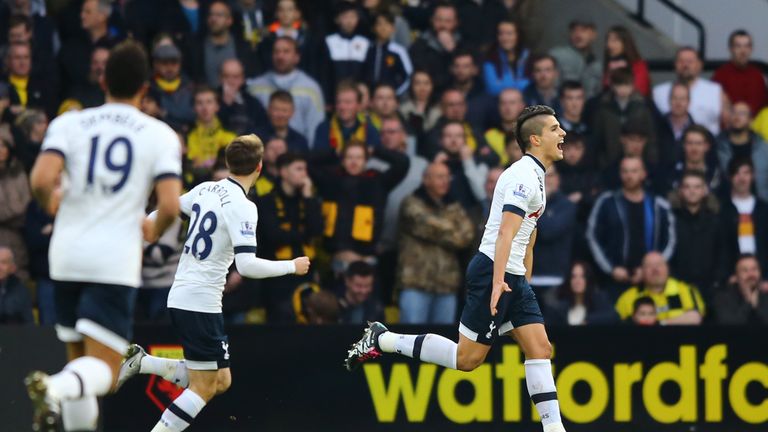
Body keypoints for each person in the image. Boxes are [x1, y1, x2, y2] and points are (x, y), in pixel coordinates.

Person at [345, 105, 569, 432]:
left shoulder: (537, 175)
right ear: (535, 139)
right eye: (554, 129)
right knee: (467, 360)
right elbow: (505, 232)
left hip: (512, 277)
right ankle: (383, 339)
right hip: (494, 271)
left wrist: (523, 284)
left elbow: (528, 236)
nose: (562, 133)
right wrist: (498, 282)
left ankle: (554, 429)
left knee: (540, 348)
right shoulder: (523, 176)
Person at [25, 41, 183, 432]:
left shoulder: (70, 122)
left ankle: (63, 390)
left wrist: (52, 203)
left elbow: (42, 179)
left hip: (65, 255)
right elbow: (170, 205)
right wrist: (152, 229)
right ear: (145, 88)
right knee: (107, 373)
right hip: (113, 260)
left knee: (81, 362)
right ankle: (55, 389)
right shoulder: (159, 134)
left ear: (103, 79)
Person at [117, 135, 310, 431]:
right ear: (260, 167)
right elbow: (246, 267)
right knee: (203, 388)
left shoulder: (205, 188)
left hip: (186, 296)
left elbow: (163, 213)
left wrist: (145, 229)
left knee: (221, 381)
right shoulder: (244, 207)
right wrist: (291, 267)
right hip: (199, 303)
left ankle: (143, 363)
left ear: (230, 163)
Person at [397, 162, 475, 324]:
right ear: (426, 179)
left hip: (447, 285)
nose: (445, 181)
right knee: (411, 340)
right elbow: (425, 224)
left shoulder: (454, 205)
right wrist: (453, 229)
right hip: (416, 283)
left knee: (442, 342)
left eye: (447, 177)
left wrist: (445, 229)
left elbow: (467, 236)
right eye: (440, 177)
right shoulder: (411, 203)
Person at [587, 157, 676, 298]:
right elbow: (593, 237)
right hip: (614, 279)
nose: (629, 176)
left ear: (643, 174)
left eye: (634, 171)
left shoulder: (659, 205)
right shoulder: (606, 202)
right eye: (625, 171)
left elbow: (670, 241)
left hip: (651, 281)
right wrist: (611, 269)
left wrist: (649, 268)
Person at [254, 152, 322, 323]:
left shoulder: (309, 201)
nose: (304, 174)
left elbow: (316, 230)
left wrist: (308, 198)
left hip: (306, 275)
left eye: (305, 169)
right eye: (298, 169)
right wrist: (303, 234)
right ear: (283, 172)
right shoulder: (265, 201)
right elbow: (273, 236)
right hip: (277, 278)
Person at [247, 37, 325, 145]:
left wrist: (308, 157)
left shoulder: (311, 88)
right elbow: (250, 125)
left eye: (286, 51)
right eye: (276, 52)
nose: (280, 56)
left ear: (297, 57)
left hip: (298, 152)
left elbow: (315, 127)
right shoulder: (255, 87)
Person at [670, 170, 724, 301]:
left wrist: (718, 280)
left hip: (710, 287)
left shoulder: (715, 221)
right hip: (677, 286)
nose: (692, 191)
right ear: (680, 191)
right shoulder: (670, 219)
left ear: (704, 191)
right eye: (687, 187)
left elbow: (722, 254)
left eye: (697, 187)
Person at [592, 67, 657, 171]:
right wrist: (602, 162)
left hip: (638, 163)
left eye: (626, 84)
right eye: (619, 85)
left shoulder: (642, 108)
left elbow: (651, 137)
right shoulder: (603, 110)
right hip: (610, 162)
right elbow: (597, 138)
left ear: (632, 85)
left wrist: (650, 161)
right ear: (612, 86)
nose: (622, 89)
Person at [653, 47, 728, 135]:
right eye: (681, 61)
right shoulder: (658, 93)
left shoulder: (716, 91)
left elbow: (728, 123)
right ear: (675, 64)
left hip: (709, 146)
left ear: (700, 65)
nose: (685, 65)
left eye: (690, 61)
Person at [615, 252, 705, 325]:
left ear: (668, 268)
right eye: (649, 266)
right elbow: (616, 326)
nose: (655, 269)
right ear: (642, 271)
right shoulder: (628, 297)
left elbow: (695, 317)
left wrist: (660, 324)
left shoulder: (685, 290)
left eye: (659, 264)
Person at [530, 165, 577, 294]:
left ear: (558, 179)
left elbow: (548, 231)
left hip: (557, 279)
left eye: (550, 175)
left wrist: (538, 202)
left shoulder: (566, 205)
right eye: (541, 176)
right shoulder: (526, 203)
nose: (546, 180)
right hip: (529, 277)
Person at [720, 158, 768, 278]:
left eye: (746, 173)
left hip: (763, 276)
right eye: (737, 173)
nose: (742, 179)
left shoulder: (763, 209)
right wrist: (727, 275)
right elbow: (720, 248)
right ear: (730, 177)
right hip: (733, 277)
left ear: (753, 176)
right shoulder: (722, 211)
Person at [185, 86, 237, 186]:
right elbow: (188, 168)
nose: (205, 108)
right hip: (194, 188)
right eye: (199, 103)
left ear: (217, 106)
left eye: (209, 102)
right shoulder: (187, 136)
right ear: (194, 108)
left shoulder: (230, 135)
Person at [716, 101, 768, 201]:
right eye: (733, 112)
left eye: (742, 113)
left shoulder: (763, 148)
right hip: (725, 205)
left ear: (750, 120)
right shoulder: (717, 146)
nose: (737, 116)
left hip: (761, 205)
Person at [409, 1, 465, 91]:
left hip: (458, 94)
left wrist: (452, 51)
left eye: (448, 21)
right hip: (430, 95)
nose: (443, 25)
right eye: (439, 20)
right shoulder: (419, 46)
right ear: (432, 20)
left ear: (456, 22)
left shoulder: (464, 45)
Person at [545, 261, 618, 326]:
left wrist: (589, 321)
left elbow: (614, 316)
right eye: (573, 276)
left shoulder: (599, 300)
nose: (577, 281)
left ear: (588, 280)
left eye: (582, 276)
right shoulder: (561, 305)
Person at [712, 30, 767, 116]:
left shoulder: (758, 75)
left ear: (751, 49)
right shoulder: (720, 75)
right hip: (730, 126)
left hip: (756, 126)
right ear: (731, 49)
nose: (743, 51)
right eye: (738, 46)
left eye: (747, 46)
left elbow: (764, 108)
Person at [314, 81, 380, 151]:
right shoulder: (324, 128)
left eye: (347, 102)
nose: (342, 107)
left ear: (359, 106)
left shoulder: (370, 131)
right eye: (339, 102)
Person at [0, 135, 31, 280]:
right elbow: (17, 208)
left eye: (3, 146)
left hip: (17, 236)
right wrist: (14, 212)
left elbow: (25, 205)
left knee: (18, 275)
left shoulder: (18, 171)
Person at [362, 11, 412, 96]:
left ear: (393, 29)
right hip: (368, 98)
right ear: (374, 28)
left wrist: (394, 94)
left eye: (387, 24)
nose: (383, 28)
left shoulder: (399, 51)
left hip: (390, 97)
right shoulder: (367, 48)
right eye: (379, 24)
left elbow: (408, 76)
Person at [549, 19, 602, 98]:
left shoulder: (597, 65)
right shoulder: (557, 56)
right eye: (574, 31)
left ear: (593, 35)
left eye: (583, 30)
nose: (578, 35)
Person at [150, 42, 196, 131]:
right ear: (155, 64)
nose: (169, 67)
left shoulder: (190, 86)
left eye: (174, 62)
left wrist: (162, 112)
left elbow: (191, 116)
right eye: (164, 63)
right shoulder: (148, 87)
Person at [216, 58, 267, 136]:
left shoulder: (252, 102)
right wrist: (226, 104)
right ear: (220, 78)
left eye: (235, 77)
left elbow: (262, 127)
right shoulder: (211, 100)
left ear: (242, 79)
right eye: (226, 76)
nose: (231, 81)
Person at [714, 254, 768, 325]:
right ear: (736, 276)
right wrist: (748, 303)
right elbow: (730, 327)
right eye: (745, 270)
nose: (751, 274)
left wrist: (755, 305)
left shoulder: (765, 296)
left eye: (754, 269)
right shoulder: (722, 298)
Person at [482, 19, 530, 96]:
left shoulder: (530, 58)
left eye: (509, 34)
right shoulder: (490, 58)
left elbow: (532, 87)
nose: (505, 38)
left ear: (518, 35)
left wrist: (503, 83)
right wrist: (521, 83)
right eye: (501, 34)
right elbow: (492, 89)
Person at [601, 25, 650, 96]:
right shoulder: (609, 66)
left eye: (615, 41)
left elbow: (639, 91)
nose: (609, 44)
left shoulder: (638, 66)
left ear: (625, 43)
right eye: (607, 40)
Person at [655, 81, 694, 168]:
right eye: (675, 98)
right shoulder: (656, 128)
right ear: (669, 101)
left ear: (689, 102)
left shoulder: (696, 131)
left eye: (682, 99)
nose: (678, 103)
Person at [484, 88, 526, 166]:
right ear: (498, 107)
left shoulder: (530, 134)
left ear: (522, 105)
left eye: (512, 103)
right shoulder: (489, 135)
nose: (507, 108)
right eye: (503, 103)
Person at [399, 69, 441, 138]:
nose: (422, 88)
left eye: (426, 83)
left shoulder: (440, 110)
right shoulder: (402, 110)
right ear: (411, 86)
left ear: (432, 86)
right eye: (417, 83)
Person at [337, 260, 383, 324]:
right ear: (347, 281)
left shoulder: (376, 308)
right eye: (359, 286)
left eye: (367, 286)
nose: (363, 291)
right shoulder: (334, 306)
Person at [0, 246, 33, 324]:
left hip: (12, 333)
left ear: (12, 267)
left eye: (4, 262)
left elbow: (28, 321)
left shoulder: (20, 290)